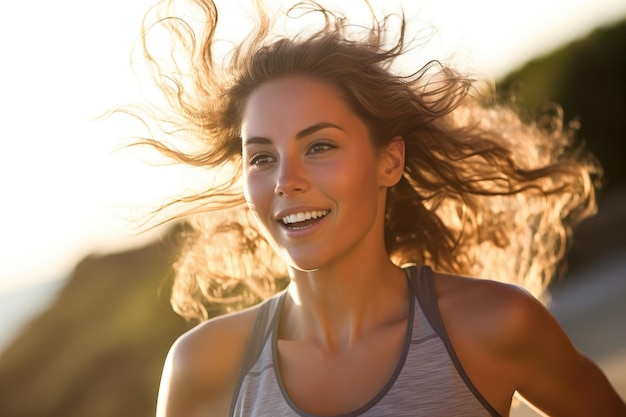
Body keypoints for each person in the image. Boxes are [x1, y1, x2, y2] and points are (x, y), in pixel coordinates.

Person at [127, 0, 626, 415]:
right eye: (261, 157)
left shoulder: (496, 323)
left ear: (389, 161)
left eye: (319, 146)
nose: (286, 181)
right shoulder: (203, 366)